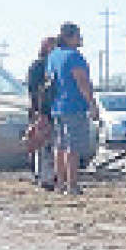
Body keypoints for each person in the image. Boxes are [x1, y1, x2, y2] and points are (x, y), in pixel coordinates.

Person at [45, 21, 99, 195]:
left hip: (57, 107)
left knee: (59, 146)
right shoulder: (74, 57)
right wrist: (92, 104)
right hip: (73, 106)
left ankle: (60, 183)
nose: (80, 38)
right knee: (72, 147)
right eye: (77, 35)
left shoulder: (53, 56)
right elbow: (82, 81)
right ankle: (72, 185)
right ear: (69, 37)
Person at [26, 36, 57, 190]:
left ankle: (48, 176)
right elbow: (35, 91)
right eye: (52, 46)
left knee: (50, 145)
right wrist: (39, 112)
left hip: (51, 110)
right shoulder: (38, 66)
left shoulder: (53, 65)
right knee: (42, 144)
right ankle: (43, 177)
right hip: (41, 110)